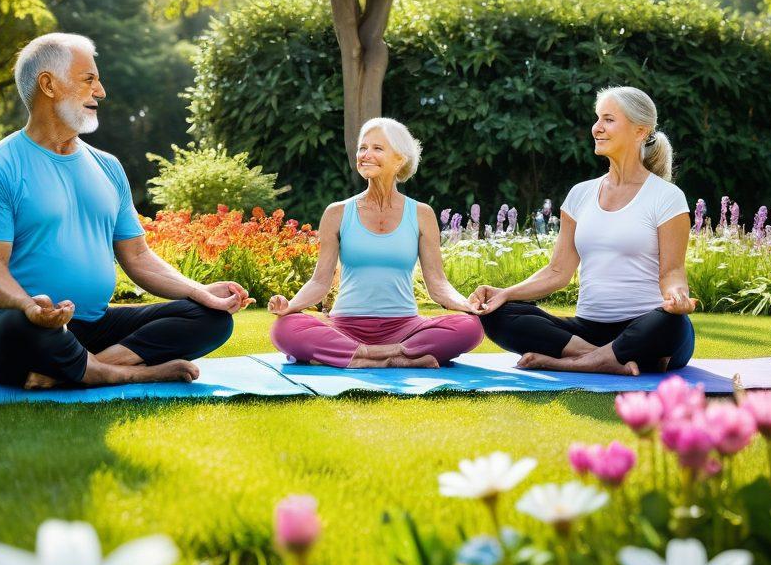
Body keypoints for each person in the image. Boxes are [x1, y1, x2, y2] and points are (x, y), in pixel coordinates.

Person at [0, 33, 252, 389]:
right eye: (89, 80)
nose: (100, 91)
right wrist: (29, 307)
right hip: (20, 327)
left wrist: (199, 291)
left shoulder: (108, 167)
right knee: (21, 328)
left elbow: (139, 257)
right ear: (48, 85)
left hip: (93, 328)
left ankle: (84, 369)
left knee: (211, 318)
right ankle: (127, 372)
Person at [470, 86, 696, 375]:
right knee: (499, 314)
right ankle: (607, 360)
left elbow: (672, 272)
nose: (597, 128)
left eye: (609, 119)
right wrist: (505, 293)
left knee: (672, 324)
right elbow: (557, 272)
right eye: (597, 118)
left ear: (640, 131)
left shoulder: (666, 196)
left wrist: (677, 297)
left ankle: (569, 363)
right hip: (586, 332)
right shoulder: (580, 194)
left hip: (646, 325)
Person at [268, 118, 483, 368]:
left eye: (377, 148)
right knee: (285, 328)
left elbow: (437, 283)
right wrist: (290, 306)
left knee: (470, 327)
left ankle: (363, 356)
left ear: (399, 159)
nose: (365, 155)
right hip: (345, 326)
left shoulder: (421, 214)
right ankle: (395, 358)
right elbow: (319, 281)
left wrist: (465, 304)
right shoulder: (337, 213)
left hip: (404, 326)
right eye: (362, 148)